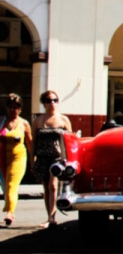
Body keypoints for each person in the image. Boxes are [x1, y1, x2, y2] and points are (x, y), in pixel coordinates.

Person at [32, 90, 72, 228]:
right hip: (43, 156)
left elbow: (70, 140)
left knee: (53, 186)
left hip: (57, 157)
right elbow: (34, 142)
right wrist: (32, 160)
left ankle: (52, 218)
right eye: (49, 101)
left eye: (55, 100)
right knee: (46, 188)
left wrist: (69, 159)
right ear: (43, 103)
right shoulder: (38, 120)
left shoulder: (63, 119)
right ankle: (49, 215)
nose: (52, 103)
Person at [2, 94, 32, 227]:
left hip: (18, 158)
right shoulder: (1, 121)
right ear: (6, 108)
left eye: (16, 107)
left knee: (11, 185)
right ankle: (9, 207)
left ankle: (10, 212)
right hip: (2, 158)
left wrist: (33, 160)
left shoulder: (24, 123)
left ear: (20, 109)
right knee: (5, 187)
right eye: (10, 107)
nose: (13, 110)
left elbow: (30, 143)